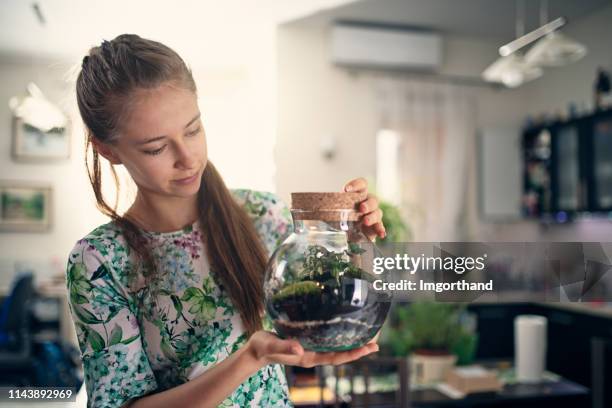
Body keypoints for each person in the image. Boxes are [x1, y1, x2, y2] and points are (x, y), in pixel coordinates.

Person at [66, 34, 386, 408]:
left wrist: (355, 241)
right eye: (156, 147)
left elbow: (335, 305)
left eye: (193, 129)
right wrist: (251, 358)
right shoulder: (99, 263)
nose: (187, 157)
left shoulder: (262, 215)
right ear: (107, 149)